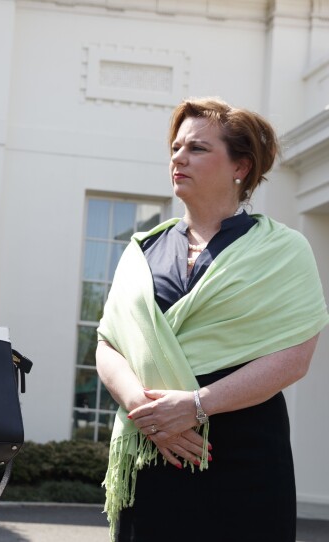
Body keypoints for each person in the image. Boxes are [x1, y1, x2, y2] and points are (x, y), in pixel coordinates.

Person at [95, 97, 329, 541]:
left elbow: (295, 357)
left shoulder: (284, 250)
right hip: (152, 450)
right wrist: (147, 413)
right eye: (175, 148)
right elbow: (108, 344)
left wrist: (195, 406)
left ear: (241, 167)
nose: (178, 157)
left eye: (197, 148)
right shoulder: (141, 251)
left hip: (242, 457)